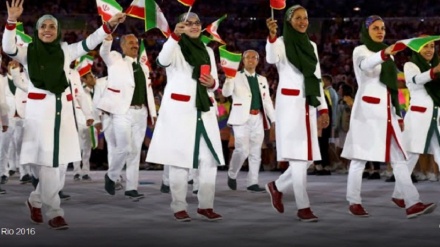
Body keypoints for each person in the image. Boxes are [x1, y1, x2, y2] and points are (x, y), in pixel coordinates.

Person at [2, 0, 126, 229]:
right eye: (43, 27)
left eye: (52, 27)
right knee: (49, 164)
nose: (47, 30)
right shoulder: (27, 52)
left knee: (58, 165)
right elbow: (8, 48)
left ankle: (34, 200)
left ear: (58, 31)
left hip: (64, 115)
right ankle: (55, 211)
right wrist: (11, 21)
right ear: (37, 31)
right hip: (40, 116)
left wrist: (108, 26)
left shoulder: (65, 50)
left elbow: (90, 42)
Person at [342, 15, 436, 219]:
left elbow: (392, 87)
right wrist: (384, 53)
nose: (380, 31)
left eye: (383, 28)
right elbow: (365, 66)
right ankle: (354, 201)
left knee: (400, 159)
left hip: (388, 114)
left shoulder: (390, 56)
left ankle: (412, 203)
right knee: (359, 159)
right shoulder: (361, 50)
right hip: (366, 113)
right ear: (366, 30)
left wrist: (398, 113)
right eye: (375, 28)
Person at [146, 12, 225, 222]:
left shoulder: (208, 50)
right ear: (180, 25)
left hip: (204, 109)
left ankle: (206, 205)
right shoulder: (175, 47)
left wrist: (213, 84)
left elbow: (215, 80)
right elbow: (162, 60)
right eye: (188, 23)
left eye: (197, 23)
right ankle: (179, 206)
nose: (193, 26)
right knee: (179, 160)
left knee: (209, 159)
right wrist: (174, 37)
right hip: (180, 111)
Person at [265, 5, 329, 222]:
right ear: (289, 20)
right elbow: (272, 59)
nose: (303, 21)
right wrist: (272, 37)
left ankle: (277, 186)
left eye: (306, 17)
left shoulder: (311, 45)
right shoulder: (281, 42)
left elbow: (317, 76)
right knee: (300, 159)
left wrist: (322, 107)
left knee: (308, 158)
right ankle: (303, 207)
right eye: (298, 18)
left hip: (309, 104)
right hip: (290, 106)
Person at [97, 33, 157, 200]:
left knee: (135, 151)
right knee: (123, 148)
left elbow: (148, 91)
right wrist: (107, 41)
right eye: (131, 42)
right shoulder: (116, 60)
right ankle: (111, 175)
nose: (135, 45)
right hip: (122, 112)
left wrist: (152, 113)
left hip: (141, 112)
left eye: (136, 42)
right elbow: (104, 53)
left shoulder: (144, 67)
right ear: (122, 46)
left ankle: (132, 187)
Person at [222, 49, 275, 192]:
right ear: (243, 60)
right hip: (241, 118)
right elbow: (225, 93)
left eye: (254, 57)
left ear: (258, 61)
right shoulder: (235, 76)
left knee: (256, 151)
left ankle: (253, 182)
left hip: (258, 117)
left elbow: (267, 101)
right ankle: (232, 173)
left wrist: (274, 119)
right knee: (242, 150)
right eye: (247, 57)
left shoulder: (262, 79)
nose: (251, 60)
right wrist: (228, 79)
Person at [396, 40, 440, 199]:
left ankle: (399, 194)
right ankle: (399, 194)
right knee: (411, 156)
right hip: (418, 118)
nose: (429, 50)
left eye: (432, 46)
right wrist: (435, 70)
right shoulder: (410, 65)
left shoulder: (435, 65)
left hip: (436, 117)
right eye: (425, 46)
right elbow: (416, 80)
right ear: (417, 49)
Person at [72, 56, 97, 182]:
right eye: (90, 76)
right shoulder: (78, 86)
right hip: (77, 117)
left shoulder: (92, 89)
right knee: (77, 146)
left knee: (87, 146)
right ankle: (76, 171)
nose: (93, 79)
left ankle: (86, 170)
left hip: (88, 119)